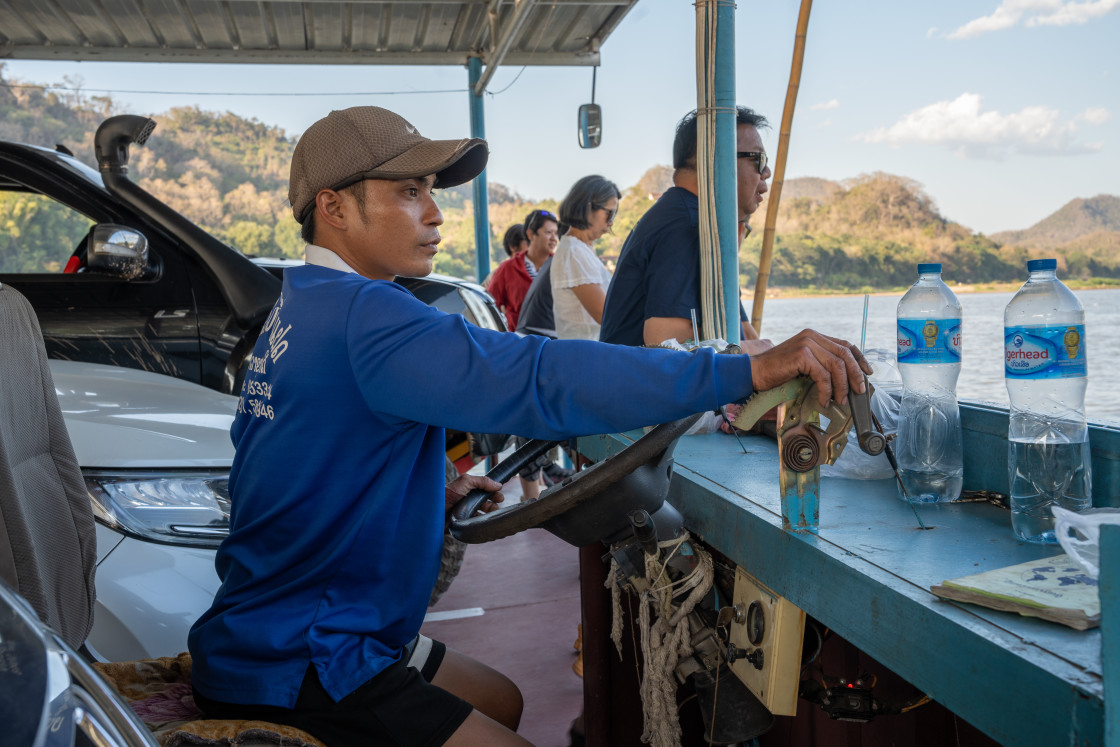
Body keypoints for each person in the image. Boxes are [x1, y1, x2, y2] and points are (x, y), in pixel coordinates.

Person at [187, 105, 871, 747]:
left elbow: (299, 453)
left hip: (276, 626)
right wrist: (739, 372)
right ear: (332, 207)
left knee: (502, 701)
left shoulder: (302, 304)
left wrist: (429, 485)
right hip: (308, 655)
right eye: (407, 193)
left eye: (432, 191)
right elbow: (541, 378)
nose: (434, 214)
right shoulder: (369, 318)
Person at [600, 107, 772, 349]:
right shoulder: (688, 225)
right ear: (716, 160)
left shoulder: (688, 215)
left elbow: (743, 330)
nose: (767, 172)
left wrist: (771, 352)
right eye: (758, 159)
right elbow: (666, 345)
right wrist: (765, 352)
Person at [550, 175, 620, 341]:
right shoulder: (574, 252)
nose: (611, 222)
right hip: (585, 356)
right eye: (609, 214)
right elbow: (605, 315)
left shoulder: (580, 249)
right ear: (588, 208)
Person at [487, 209, 558, 331]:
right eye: (548, 232)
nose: (554, 238)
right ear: (530, 234)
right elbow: (489, 306)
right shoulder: (507, 269)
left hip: (554, 343)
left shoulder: (561, 267)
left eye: (556, 233)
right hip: (519, 342)